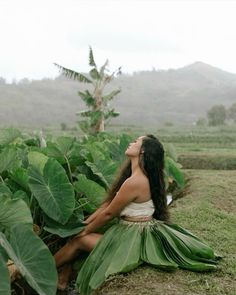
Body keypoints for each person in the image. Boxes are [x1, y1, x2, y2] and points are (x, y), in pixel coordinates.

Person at [54, 135, 220, 294]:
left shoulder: (135, 181)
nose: (131, 143)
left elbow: (109, 213)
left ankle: (45, 268)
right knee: (79, 235)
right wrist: (85, 225)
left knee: (78, 241)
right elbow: (106, 205)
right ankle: (62, 278)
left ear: (142, 151)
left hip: (132, 238)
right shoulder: (139, 176)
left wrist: (84, 232)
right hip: (138, 230)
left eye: (136, 142)